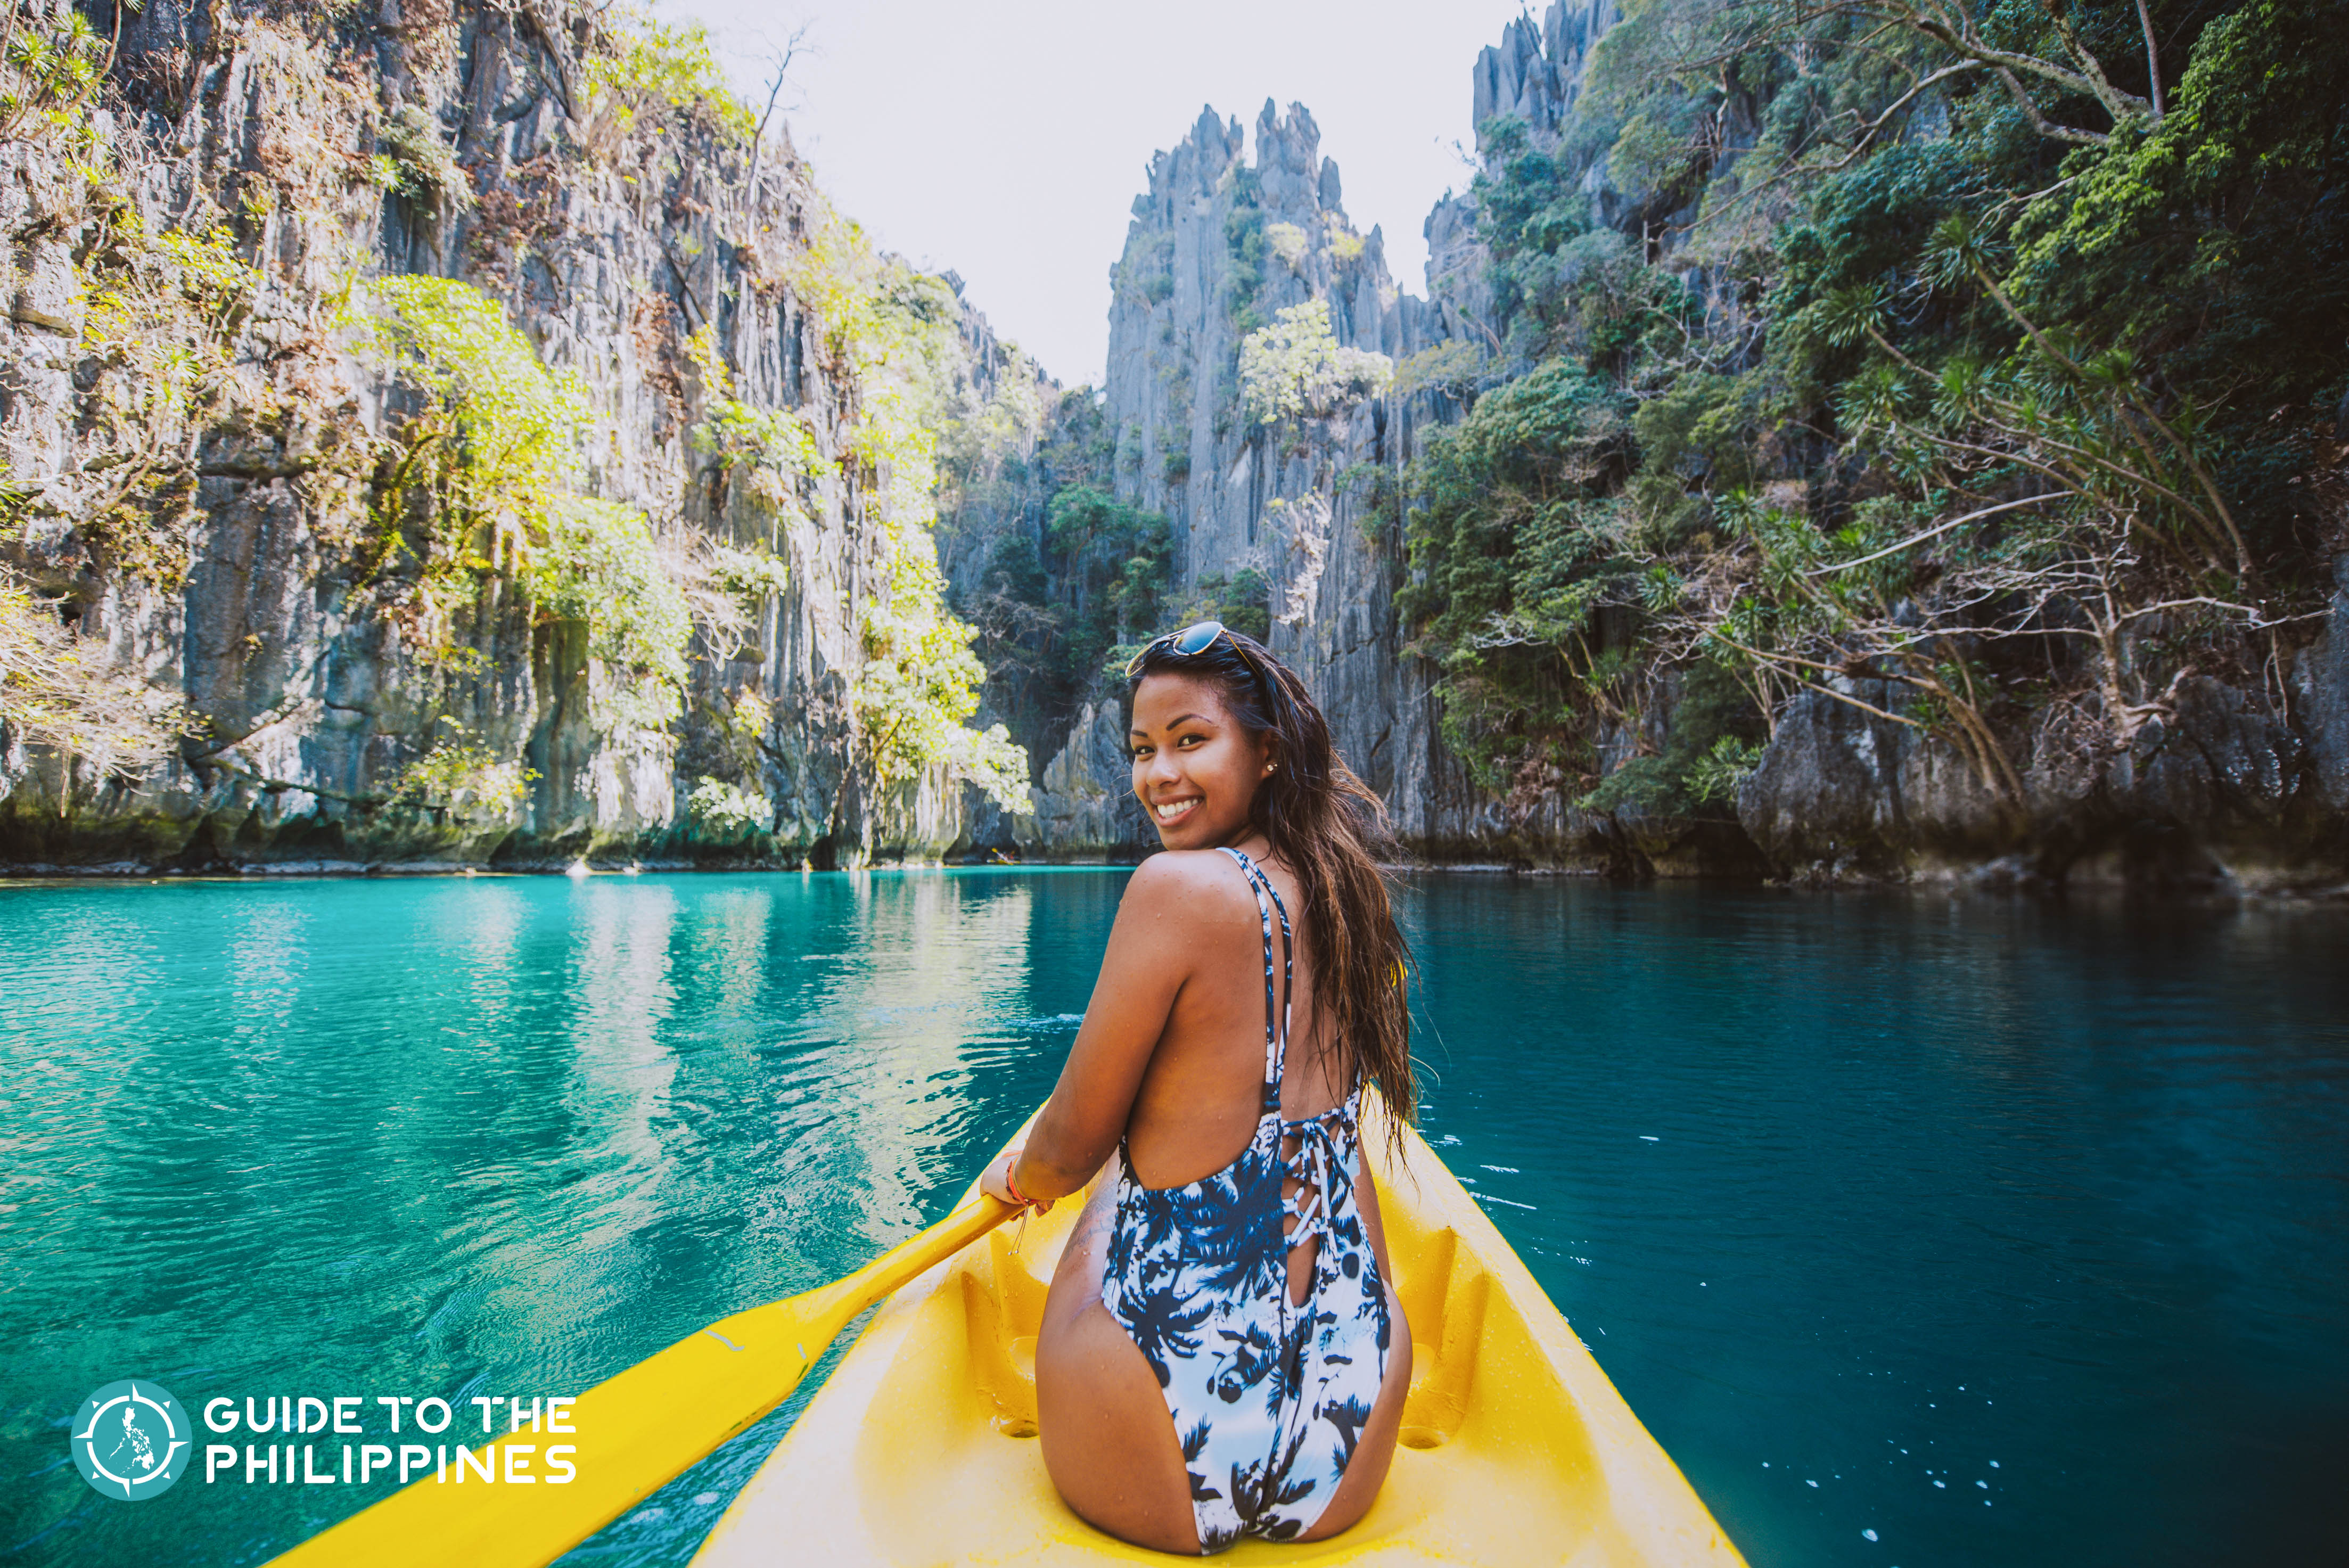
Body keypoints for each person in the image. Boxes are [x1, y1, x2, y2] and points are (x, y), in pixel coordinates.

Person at [979, 620, 1416, 1554]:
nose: (1158, 774)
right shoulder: (1348, 890)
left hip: (1157, 1441)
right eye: (1142, 749)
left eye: (1190, 739)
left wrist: (1018, 1178)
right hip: (1349, 1423)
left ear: (1264, 751)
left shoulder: (1174, 888)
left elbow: (1069, 1148)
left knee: (1110, 1190)